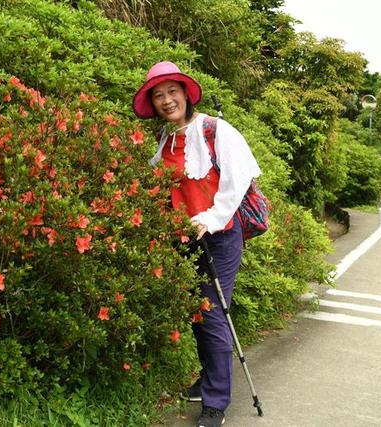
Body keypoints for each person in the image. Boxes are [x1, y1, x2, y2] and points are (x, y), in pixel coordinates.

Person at [132, 61, 261, 427]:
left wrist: (209, 219)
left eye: (172, 92)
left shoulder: (215, 130)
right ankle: (208, 379)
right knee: (196, 311)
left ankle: (216, 401)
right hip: (183, 238)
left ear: (186, 94)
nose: (167, 100)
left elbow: (237, 180)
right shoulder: (164, 138)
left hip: (218, 236)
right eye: (158, 95)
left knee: (212, 312)